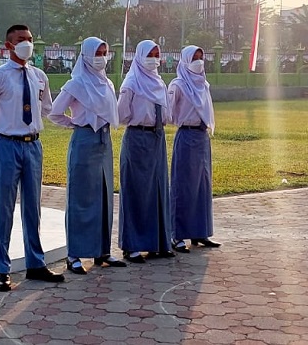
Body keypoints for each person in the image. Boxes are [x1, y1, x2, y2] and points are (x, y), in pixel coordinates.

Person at [0, 25, 63, 291]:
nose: (27, 44)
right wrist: (5, 123)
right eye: (21, 40)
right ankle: (2, 268)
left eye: (30, 39)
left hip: (33, 145)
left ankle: (36, 263)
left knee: (33, 206)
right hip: (8, 145)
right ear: (8, 45)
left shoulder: (39, 76)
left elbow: (45, 107)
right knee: (4, 207)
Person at [48, 37, 125, 274]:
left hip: (104, 141)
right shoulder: (76, 84)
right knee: (81, 197)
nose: (101, 57)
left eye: (105, 52)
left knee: (104, 195)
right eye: (97, 52)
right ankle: (75, 254)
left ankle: (102, 251)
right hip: (84, 139)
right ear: (86, 55)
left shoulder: (107, 84)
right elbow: (55, 112)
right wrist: (74, 124)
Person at [117, 40, 174, 263]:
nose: (154, 58)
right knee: (136, 191)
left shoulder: (159, 83)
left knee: (159, 190)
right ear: (140, 56)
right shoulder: (131, 83)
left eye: (156, 54)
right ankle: (132, 246)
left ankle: (159, 243)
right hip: (137, 137)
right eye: (149, 54)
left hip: (157, 138)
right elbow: (121, 114)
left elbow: (167, 114)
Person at [168, 45, 220, 253]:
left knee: (202, 185)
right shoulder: (178, 85)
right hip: (187, 135)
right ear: (185, 61)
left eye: (201, 57)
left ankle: (200, 231)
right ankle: (177, 234)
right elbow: (169, 113)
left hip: (202, 136)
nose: (199, 61)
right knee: (183, 185)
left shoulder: (203, 84)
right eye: (194, 58)